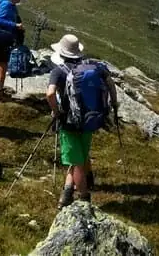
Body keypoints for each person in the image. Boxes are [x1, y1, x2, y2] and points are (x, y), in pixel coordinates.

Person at [45, 34, 118, 208]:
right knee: (81, 156)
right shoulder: (93, 67)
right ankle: (66, 194)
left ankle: (84, 198)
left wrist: (56, 112)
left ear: (61, 53)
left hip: (69, 122)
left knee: (76, 162)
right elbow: (110, 83)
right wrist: (114, 104)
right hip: (88, 119)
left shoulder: (58, 71)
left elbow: (50, 93)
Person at [0, 0, 25, 100]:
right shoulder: (7, 5)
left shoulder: (1, 1)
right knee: (3, 65)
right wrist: (15, 25)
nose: (19, 0)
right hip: (2, 38)